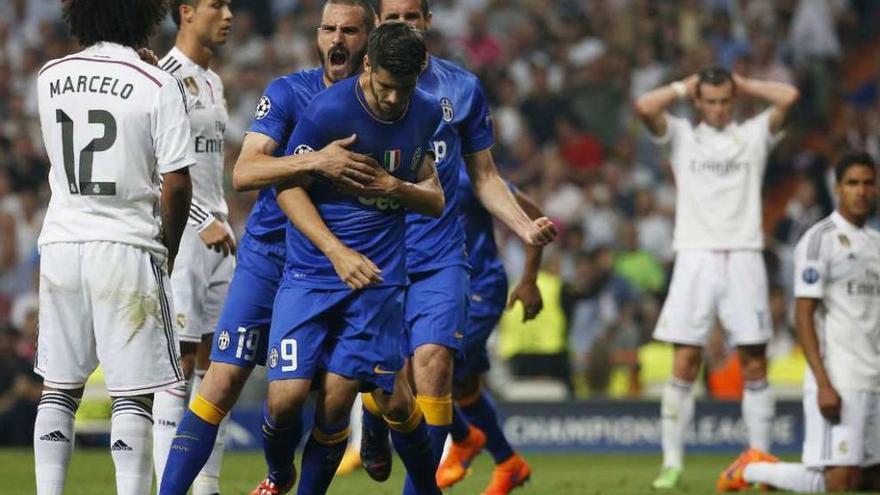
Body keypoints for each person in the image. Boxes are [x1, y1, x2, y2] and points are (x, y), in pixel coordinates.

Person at [157, 2, 381, 494]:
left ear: (371, 35)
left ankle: (377, 416)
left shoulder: (386, 106)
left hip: (334, 264)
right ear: (318, 35)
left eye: (348, 30)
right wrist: (317, 162)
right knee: (221, 379)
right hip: (270, 254)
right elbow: (246, 172)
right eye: (328, 29)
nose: (336, 39)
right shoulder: (288, 92)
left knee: (328, 400)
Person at [360, 3, 557, 492]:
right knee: (387, 378)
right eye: (392, 15)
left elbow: (489, 180)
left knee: (437, 368)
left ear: (428, 20)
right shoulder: (357, 88)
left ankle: (430, 480)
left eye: (412, 14)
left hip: (446, 260)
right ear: (377, 21)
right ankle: (376, 421)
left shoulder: (462, 89)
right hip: (381, 257)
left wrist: (524, 229)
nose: (403, 23)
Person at [263, 20, 444, 495]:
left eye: (403, 89)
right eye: (385, 88)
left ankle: (426, 487)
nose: (392, 100)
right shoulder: (327, 112)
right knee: (284, 401)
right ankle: (280, 474)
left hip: (375, 280)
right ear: (368, 66)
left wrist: (396, 187)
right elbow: (287, 190)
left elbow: (436, 198)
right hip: (312, 271)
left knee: (335, 405)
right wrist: (335, 251)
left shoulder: (424, 113)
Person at [33, 1, 193, 494]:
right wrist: (167, 244)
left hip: (61, 242)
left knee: (58, 389)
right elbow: (178, 184)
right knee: (132, 395)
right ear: (144, 15)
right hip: (125, 244)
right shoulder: (156, 81)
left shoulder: (49, 75)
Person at [634, 67, 799, 489]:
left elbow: (789, 97)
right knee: (685, 362)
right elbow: (643, 106)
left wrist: (746, 84)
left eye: (726, 100)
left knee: (754, 362)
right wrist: (680, 86)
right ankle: (671, 463)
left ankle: (759, 459)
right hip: (694, 256)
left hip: (744, 255)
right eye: (710, 100)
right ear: (698, 101)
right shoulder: (682, 135)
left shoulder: (754, 133)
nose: (720, 108)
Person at [718, 151, 880, 493]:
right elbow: (803, 313)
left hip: (874, 376)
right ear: (837, 188)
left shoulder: (877, 244)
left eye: (868, 183)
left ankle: (758, 468)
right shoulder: (820, 240)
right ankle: (753, 471)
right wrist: (823, 382)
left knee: (870, 477)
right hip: (841, 376)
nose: (861, 191)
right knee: (840, 480)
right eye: (853, 183)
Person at [151, 3, 235, 493]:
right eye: (215, 5)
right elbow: (154, 164)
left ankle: (208, 486)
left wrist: (220, 217)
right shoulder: (163, 76)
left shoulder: (213, 81)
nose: (227, 14)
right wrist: (202, 219)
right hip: (185, 234)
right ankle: (168, 484)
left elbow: (206, 168)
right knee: (177, 362)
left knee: (218, 364)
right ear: (186, 11)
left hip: (218, 236)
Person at [435, 169, 546, 495]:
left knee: (430, 367)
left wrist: (529, 279)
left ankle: (464, 438)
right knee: (465, 385)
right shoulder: (404, 165)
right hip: (437, 291)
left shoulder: (468, 176)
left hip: (479, 289)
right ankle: (508, 463)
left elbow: (534, 216)